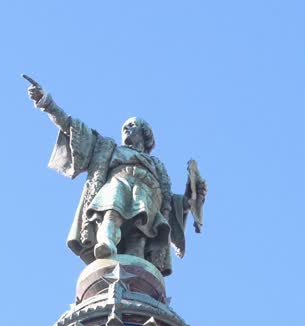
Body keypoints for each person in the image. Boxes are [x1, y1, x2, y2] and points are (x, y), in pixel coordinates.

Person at [26, 78, 206, 276]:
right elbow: (72, 127)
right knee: (112, 208)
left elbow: (170, 204)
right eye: (124, 127)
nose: (126, 129)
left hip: (149, 195)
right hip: (119, 182)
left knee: (140, 233)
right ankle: (106, 243)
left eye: (132, 126)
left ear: (145, 135)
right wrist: (47, 104)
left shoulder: (157, 167)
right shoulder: (109, 149)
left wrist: (190, 198)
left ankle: (136, 270)